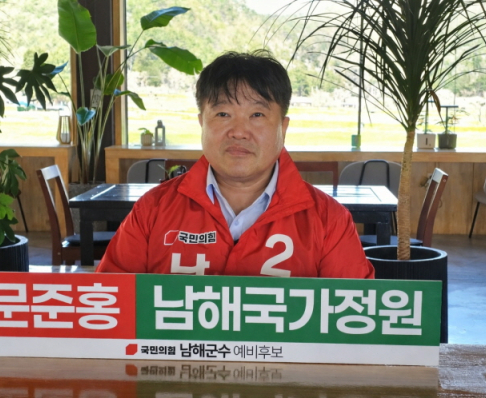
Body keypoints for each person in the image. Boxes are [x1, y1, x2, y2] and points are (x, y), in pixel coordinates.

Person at [96, 50, 374, 278]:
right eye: (223, 114)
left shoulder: (329, 221)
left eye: (257, 115)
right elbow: (111, 303)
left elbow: (354, 316)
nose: (239, 131)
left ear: (283, 127)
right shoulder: (152, 211)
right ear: (202, 123)